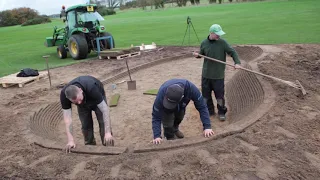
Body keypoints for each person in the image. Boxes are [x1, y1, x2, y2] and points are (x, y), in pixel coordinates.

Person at [194, 24, 241, 121]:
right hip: (206, 75)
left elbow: (232, 52)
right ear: (211, 33)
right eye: (217, 34)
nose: (219, 36)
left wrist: (237, 63)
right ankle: (210, 111)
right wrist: (197, 55)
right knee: (206, 96)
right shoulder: (204, 43)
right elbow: (201, 54)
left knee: (219, 97)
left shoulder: (222, 43)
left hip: (218, 76)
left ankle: (221, 112)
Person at [60, 75, 114, 153]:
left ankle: (108, 147)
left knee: (103, 122)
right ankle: (90, 147)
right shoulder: (64, 95)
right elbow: (67, 119)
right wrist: (70, 140)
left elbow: (105, 110)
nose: (79, 103)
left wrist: (108, 132)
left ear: (80, 90)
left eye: (79, 100)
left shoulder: (92, 88)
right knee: (86, 125)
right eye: (75, 102)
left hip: (96, 98)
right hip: (84, 105)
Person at [152, 79, 214, 144]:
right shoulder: (161, 95)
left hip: (181, 105)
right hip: (166, 109)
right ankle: (170, 137)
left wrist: (207, 127)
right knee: (168, 123)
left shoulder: (191, 89)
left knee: (180, 116)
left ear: (182, 97)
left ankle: (175, 129)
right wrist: (157, 136)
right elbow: (156, 117)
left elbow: (202, 107)